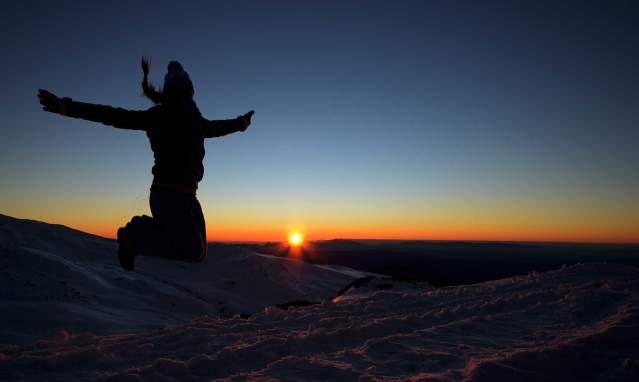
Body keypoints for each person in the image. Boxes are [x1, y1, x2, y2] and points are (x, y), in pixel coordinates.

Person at [37, 57, 254, 271]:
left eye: (188, 91)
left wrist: (240, 123)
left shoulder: (195, 120)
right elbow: (114, 115)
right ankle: (133, 237)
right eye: (183, 91)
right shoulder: (159, 116)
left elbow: (217, 128)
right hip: (167, 195)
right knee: (193, 251)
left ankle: (138, 232)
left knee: (199, 253)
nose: (187, 96)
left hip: (189, 195)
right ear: (175, 92)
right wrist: (66, 107)